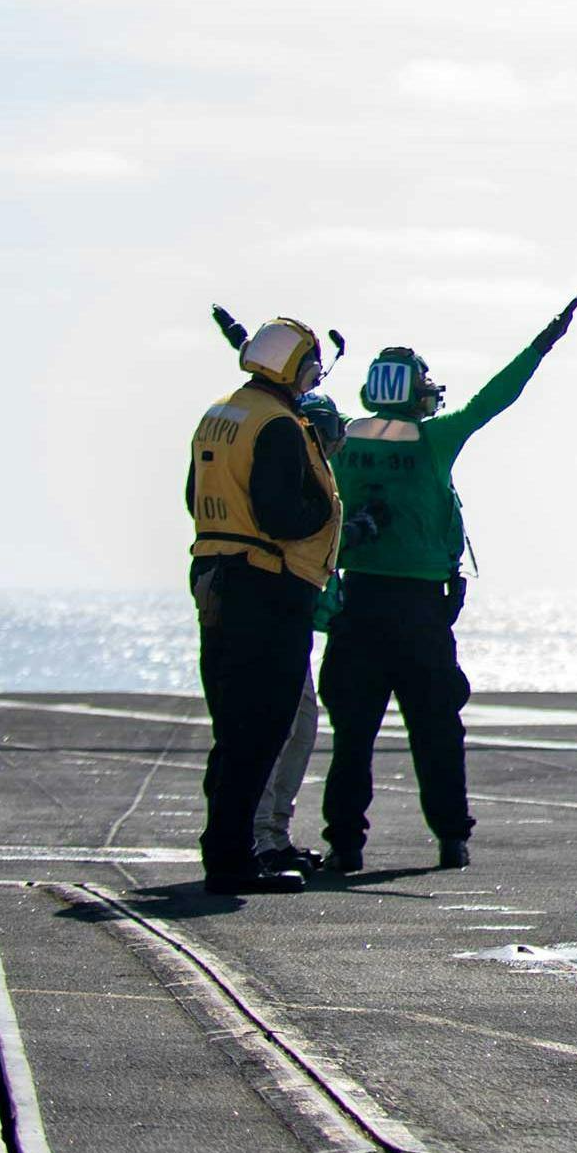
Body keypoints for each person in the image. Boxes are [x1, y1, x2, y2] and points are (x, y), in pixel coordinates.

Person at [321, 297, 577, 875]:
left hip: (356, 602)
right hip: (419, 610)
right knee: (436, 730)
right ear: (414, 392)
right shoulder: (434, 439)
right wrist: (541, 344)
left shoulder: (341, 440)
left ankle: (345, 845)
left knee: (352, 735)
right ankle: (451, 838)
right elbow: (494, 398)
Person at [184, 316, 344, 896]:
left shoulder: (221, 413)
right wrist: (324, 511)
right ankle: (233, 861)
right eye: (311, 366)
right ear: (293, 367)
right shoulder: (276, 424)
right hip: (267, 585)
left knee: (233, 727)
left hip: (215, 574)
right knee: (261, 728)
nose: (314, 376)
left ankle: (226, 849)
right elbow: (281, 515)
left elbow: (193, 495)